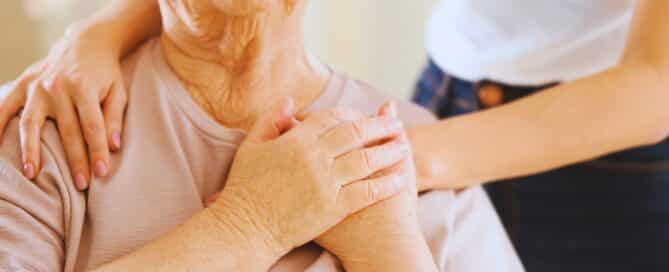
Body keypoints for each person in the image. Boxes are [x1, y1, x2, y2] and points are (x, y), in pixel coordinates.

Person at [5, 0, 669, 271]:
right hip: (455, 77)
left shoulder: (402, 165)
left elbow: (657, 81)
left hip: (607, 129)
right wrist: (250, 224)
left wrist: (376, 182)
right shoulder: (49, 134)